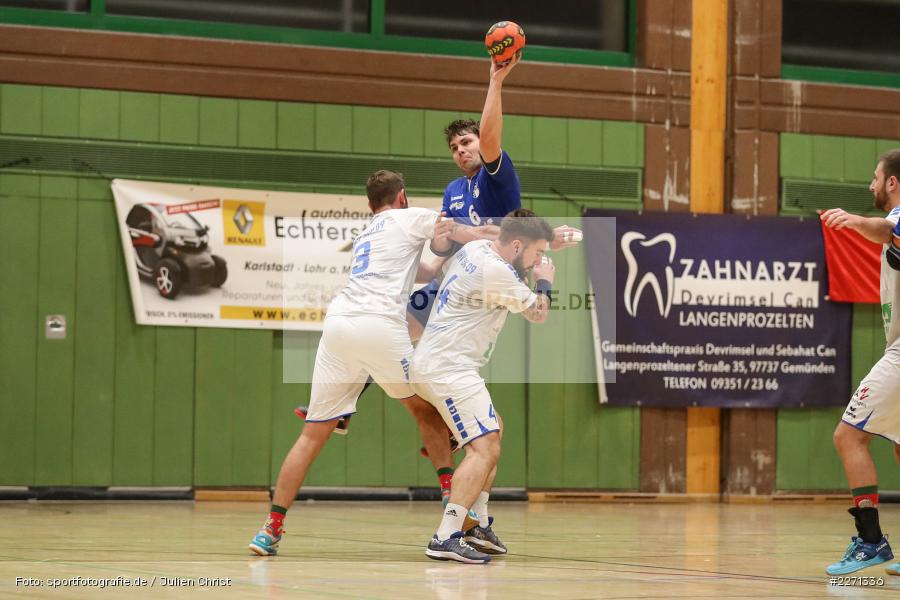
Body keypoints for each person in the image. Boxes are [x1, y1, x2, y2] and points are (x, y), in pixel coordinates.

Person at [248, 170, 455, 556]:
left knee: (311, 436)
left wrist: (439, 268)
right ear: (403, 197)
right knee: (425, 411)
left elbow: (421, 271)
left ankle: (270, 528)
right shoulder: (407, 217)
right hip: (378, 325)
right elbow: (451, 225)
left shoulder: (368, 232)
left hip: (338, 327)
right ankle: (450, 497)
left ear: (370, 203)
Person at [412, 208, 556, 563]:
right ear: (517, 245)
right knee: (485, 447)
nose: (538, 259)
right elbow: (538, 313)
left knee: (494, 430)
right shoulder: (498, 272)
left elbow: (496, 235)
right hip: (450, 367)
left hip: (435, 363)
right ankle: (447, 534)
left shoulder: (476, 250)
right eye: (537, 253)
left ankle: (476, 523)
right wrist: (545, 280)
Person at [821, 148, 900, 576]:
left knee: (848, 437)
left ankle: (871, 542)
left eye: (875, 178)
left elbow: (885, 230)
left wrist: (853, 221)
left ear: (892, 182)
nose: (871, 185)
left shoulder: (899, 218)